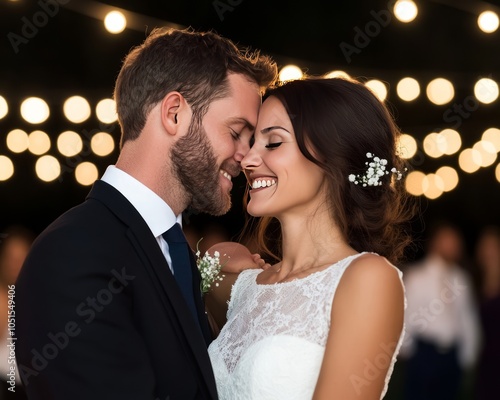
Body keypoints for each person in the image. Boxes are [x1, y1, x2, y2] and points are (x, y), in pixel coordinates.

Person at [15, 27, 277, 399]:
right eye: (237, 132)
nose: (248, 156)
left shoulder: (174, 250)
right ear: (174, 114)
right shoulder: (73, 253)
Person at [207, 76, 415, 400]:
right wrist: (210, 258)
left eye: (273, 143)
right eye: (250, 143)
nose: (247, 160)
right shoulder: (244, 287)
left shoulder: (367, 278)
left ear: (334, 156)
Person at [400, 221, 480, 400]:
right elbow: (407, 315)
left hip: (451, 357)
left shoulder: (461, 278)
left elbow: (467, 317)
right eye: (448, 240)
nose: (453, 245)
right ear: (435, 242)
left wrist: (468, 355)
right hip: (425, 354)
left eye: (456, 241)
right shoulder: (417, 276)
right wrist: (408, 351)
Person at [0, 225, 34, 399]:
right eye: (11, 258)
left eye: (21, 258)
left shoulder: (39, 297)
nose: (15, 265)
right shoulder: (2, 299)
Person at [473, 225, 500, 400]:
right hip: (486, 358)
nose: (489, 252)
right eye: (485, 247)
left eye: (493, 247)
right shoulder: (474, 280)